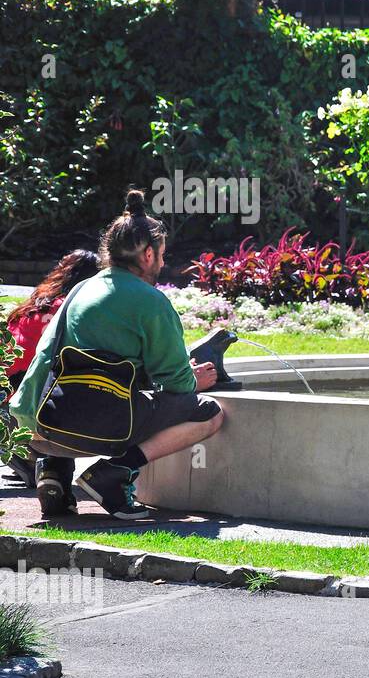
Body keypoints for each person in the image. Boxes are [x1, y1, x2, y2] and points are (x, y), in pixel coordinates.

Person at [8, 190, 225, 520]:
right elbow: (177, 385)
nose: (164, 263)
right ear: (148, 254)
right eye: (163, 254)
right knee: (209, 413)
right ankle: (114, 474)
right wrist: (193, 380)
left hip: (42, 430)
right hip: (105, 432)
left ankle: (54, 476)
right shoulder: (151, 302)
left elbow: (44, 357)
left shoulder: (80, 290)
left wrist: (25, 420)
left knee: (75, 386)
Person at [3, 249, 102, 513]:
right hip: (39, 405)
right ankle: (40, 466)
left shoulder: (32, 307)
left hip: (10, 400)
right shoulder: (76, 311)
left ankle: (28, 459)